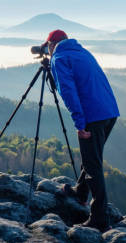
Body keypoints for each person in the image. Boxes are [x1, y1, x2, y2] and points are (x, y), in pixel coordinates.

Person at [43, 29, 119, 232]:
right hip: (110, 112)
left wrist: (80, 124)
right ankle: (80, 193)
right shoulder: (82, 52)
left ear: (51, 45)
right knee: (92, 157)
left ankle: (100, 218)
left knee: (93, 167)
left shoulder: (58, 59)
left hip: (92, 116)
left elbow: (68, 93)